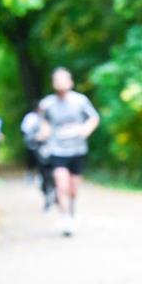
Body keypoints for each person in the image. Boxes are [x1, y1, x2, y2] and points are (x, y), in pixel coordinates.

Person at [37, 68, 100, 236]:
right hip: (57, 150)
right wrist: (44, 132)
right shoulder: (47, 104)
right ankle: (65, 218)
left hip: (78, 150)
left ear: (70, 82)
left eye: (64, 79)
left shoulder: (80, 101)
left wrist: (86, 129)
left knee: (73, 189)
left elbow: (94, 118)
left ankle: (71, 211)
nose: (61, 83)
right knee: (61, 184)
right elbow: (43, 123)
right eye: (57, 80)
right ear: (53, 83)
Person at [21, 103, 56, 210]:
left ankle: (55, 193)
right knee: (44, 175)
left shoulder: (56, 117)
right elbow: (27, 133)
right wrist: (37, 137)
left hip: (58, 152)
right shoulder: (32, 119)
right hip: (41, 151)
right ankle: (48, 194)